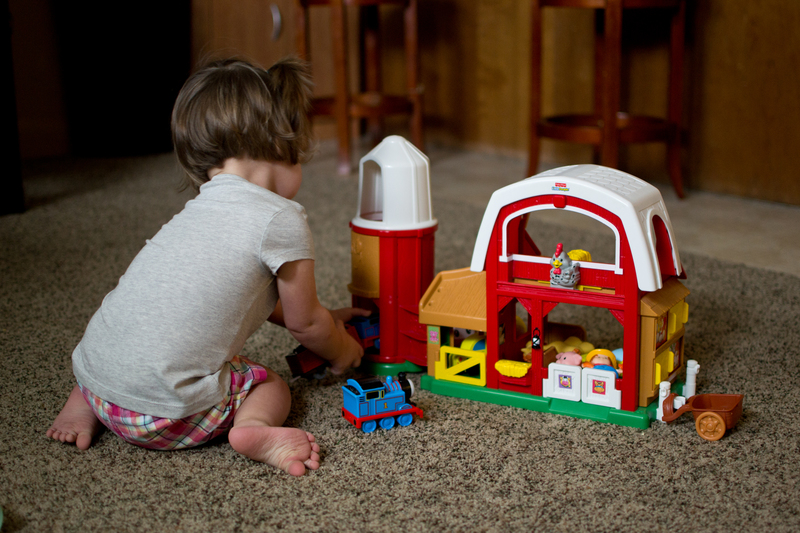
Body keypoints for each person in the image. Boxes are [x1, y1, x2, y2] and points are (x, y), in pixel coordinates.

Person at [46, 57, 368, 477]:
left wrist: (330, 317)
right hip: (166, 417)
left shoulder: (197, 212)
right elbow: (305, 324)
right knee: (269, 382)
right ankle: (254, 429)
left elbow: (239, 296)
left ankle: (83, 407)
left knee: (131, 330)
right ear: (283, 146)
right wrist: (343, 349)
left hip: (96, 381)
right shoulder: (281, 217)